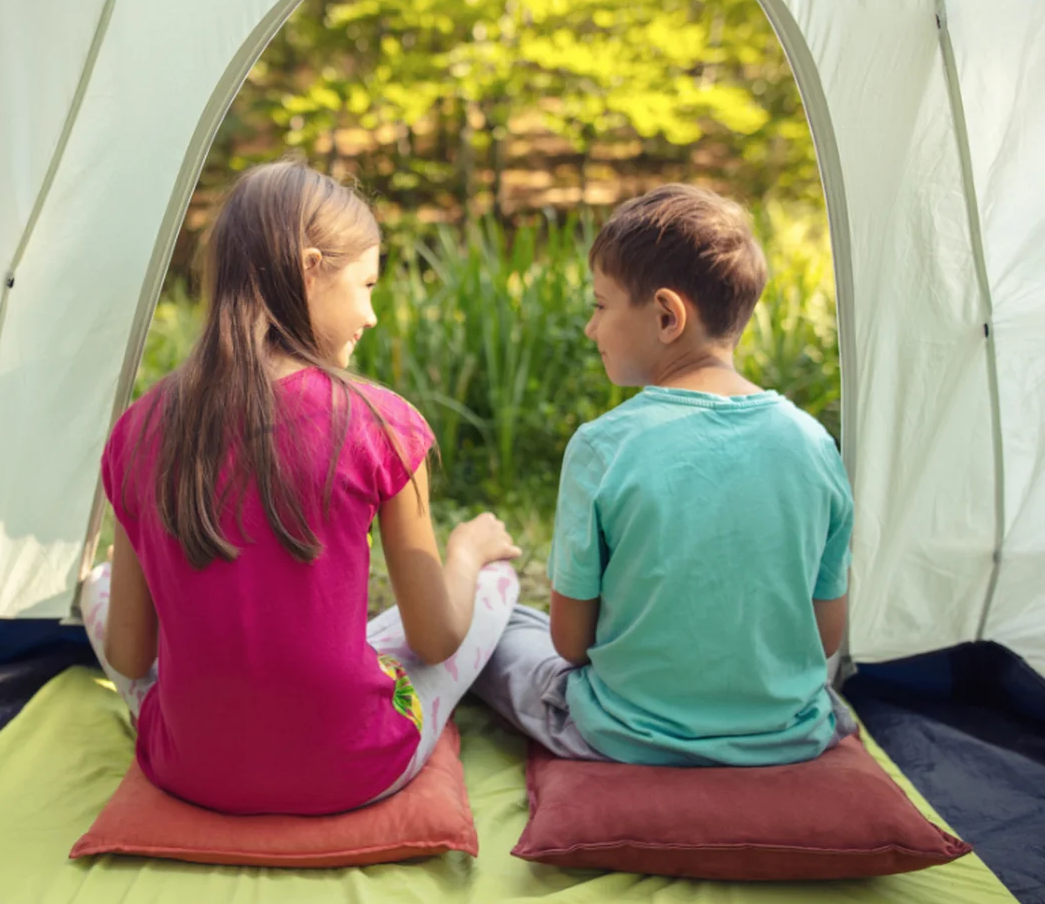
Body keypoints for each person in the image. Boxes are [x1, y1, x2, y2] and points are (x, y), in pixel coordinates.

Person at [80, 161, 521, 815]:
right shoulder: (382, 422)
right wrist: (466, 552)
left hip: (190, 768)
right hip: (354, 766)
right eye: (366, 285)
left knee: (98, 583)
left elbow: (129, 653)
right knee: (493, 583)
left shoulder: (137, 431)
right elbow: (435, 639)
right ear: (310, 267)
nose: (371, 315)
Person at [473, 184, 857, 767]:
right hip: (786, 734)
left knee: (500, 631)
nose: (589, 328)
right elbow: (825, 639)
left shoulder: (602, 447)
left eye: (600, 306)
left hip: (625, 732)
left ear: (666, 315)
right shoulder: (814, 443)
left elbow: (570, 645)